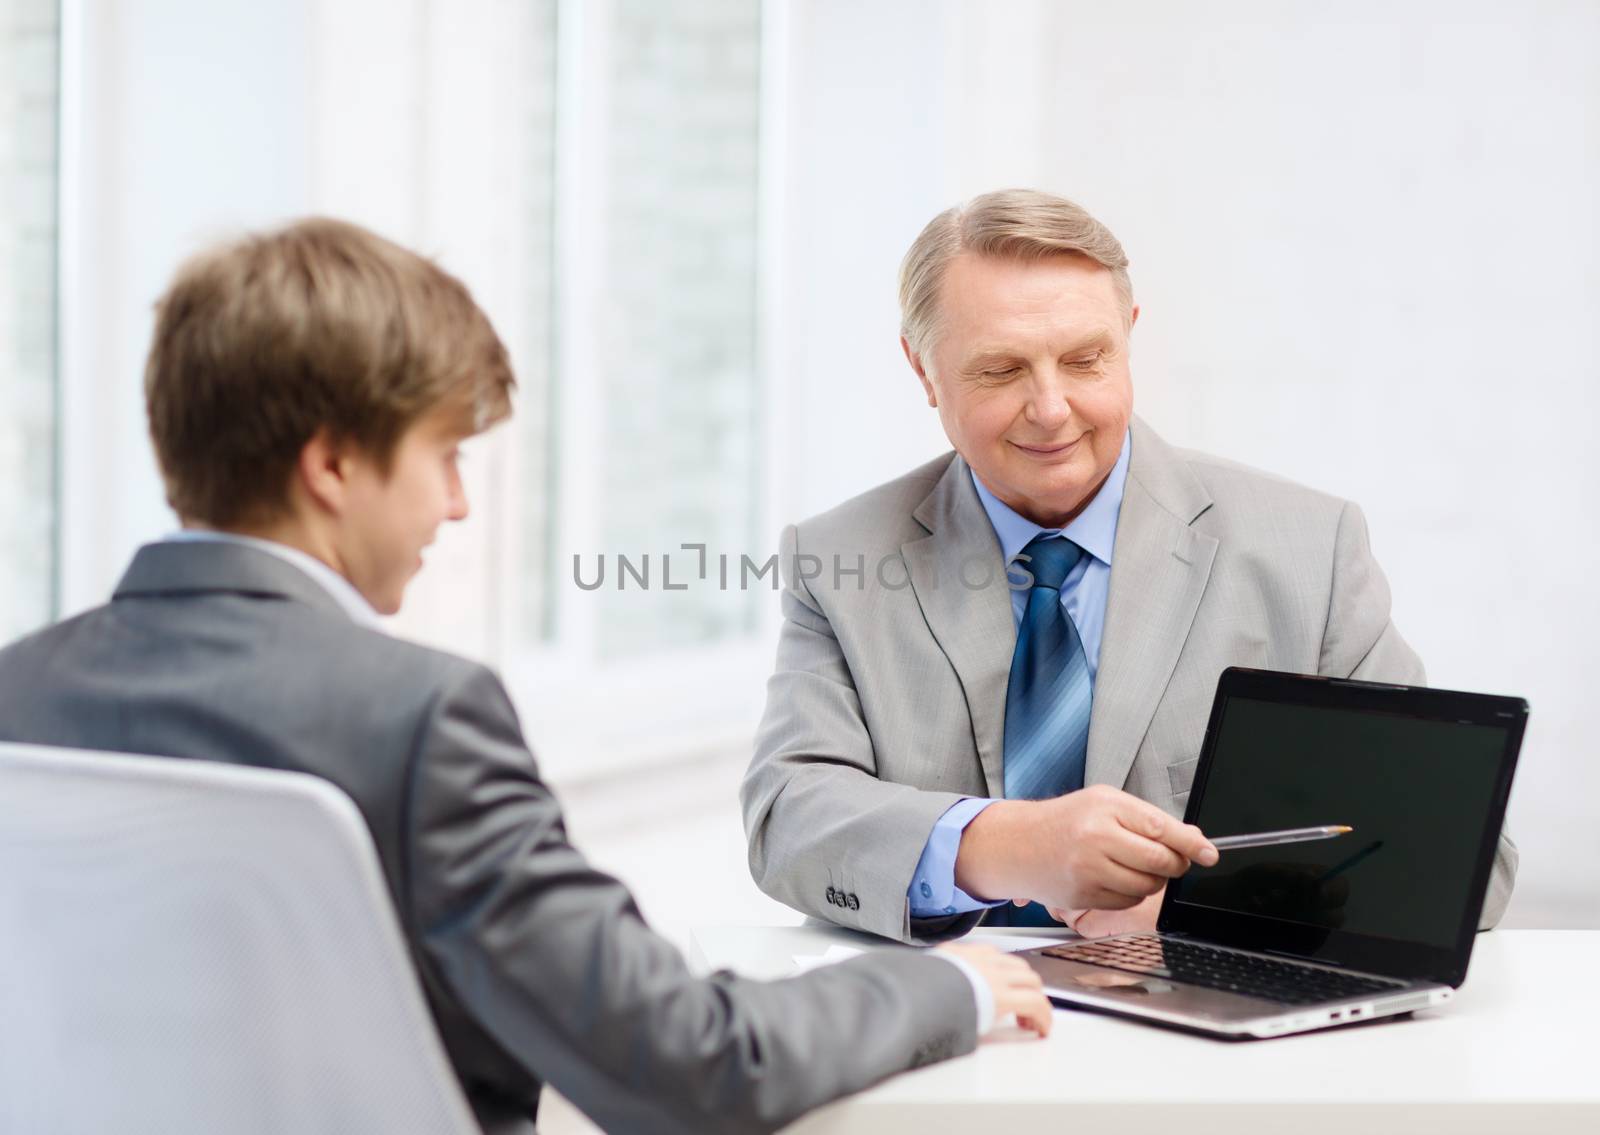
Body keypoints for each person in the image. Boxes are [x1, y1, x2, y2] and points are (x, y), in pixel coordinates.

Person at [0, 219, 1053, 1135]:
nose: (458, 506)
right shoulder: (417, 721)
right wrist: (937, 984)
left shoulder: (20, 695)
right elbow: (691, 1063)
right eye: (445, 455)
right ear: (331, 467)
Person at [741, 188, 1517, 945]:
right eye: (1001, 370)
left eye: (1085, 359)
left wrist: (1204, 906)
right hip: (954, 1028)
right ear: (922, 370)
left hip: (1212, 1041)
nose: (1051, 408)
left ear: (1129, 337)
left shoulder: (1308, 551)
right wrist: (1004, 845)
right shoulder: (837, 560)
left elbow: (1470, 858)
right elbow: (789, 815)